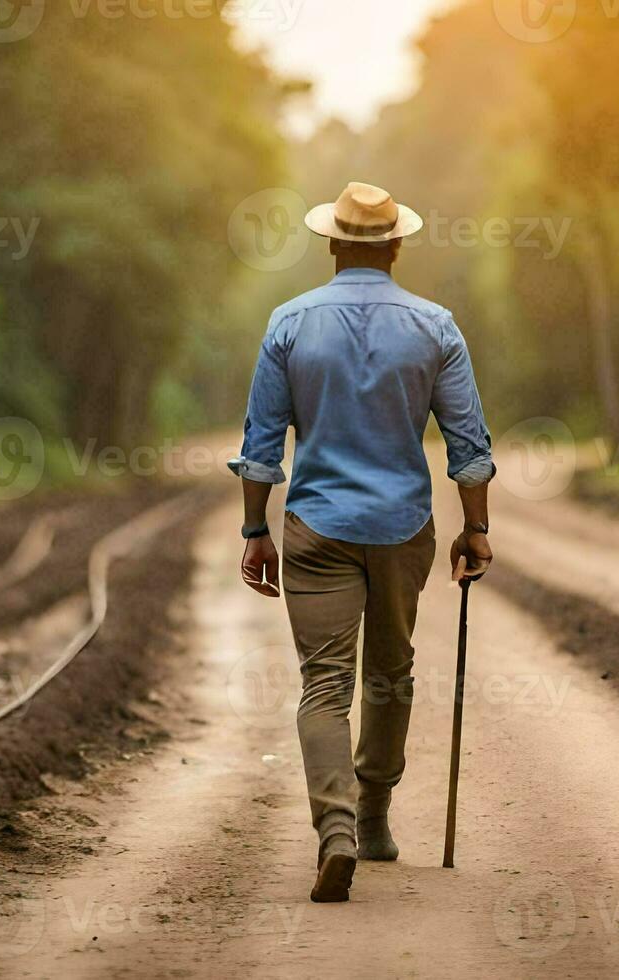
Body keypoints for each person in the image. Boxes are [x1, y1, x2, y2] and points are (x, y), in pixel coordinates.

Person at [228, 181, 495, 903]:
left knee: (325, 685)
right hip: (403, 526)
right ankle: (374, 819)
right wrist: (476, 526)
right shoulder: (436, 326)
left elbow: (260, 447)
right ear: (396, 246)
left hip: (316, 526)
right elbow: (467, 445)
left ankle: (336, 832)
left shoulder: (289, 323)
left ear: (333, 245)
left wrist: (256, 530)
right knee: (390, 674)